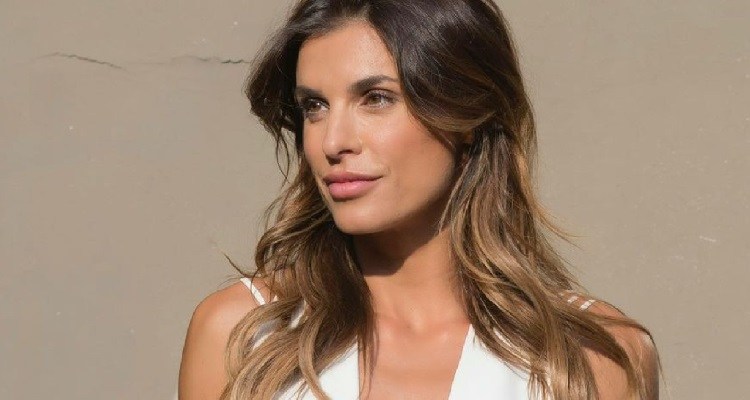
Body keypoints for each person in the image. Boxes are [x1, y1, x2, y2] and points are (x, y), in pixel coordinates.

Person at [178, 0, 661, 399]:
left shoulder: (591, 357)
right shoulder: (246, 337)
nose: (332, 142)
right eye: (315, 106)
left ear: (466, 115)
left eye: (376, 98)